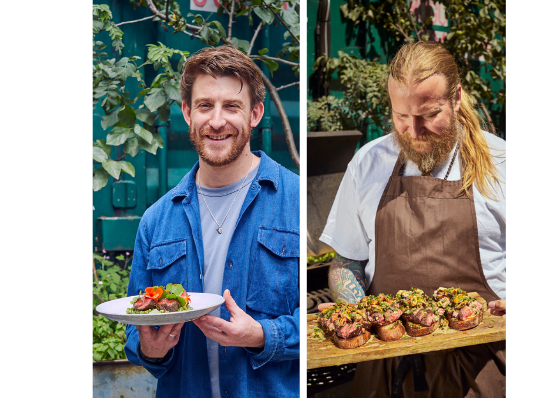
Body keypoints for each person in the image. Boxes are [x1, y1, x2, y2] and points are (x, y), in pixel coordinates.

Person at [319, 42, 506, 397]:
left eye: (429, 115)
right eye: (401, 117)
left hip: (481, 371)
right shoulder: (368, 162)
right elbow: (346, 260)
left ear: (456, 98)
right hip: (386, 371)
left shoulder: (502, 164)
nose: (414, 131)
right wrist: (361, 313)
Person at [124, 45, 299, 398]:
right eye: (205, 105)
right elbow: (135, 328)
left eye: (231, 106)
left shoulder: (294, 200)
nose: (217, 121)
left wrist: (263, 336)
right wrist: (150, 350)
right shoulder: (156, 220)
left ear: (255, 114)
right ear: (188, 113)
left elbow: (314, 319)